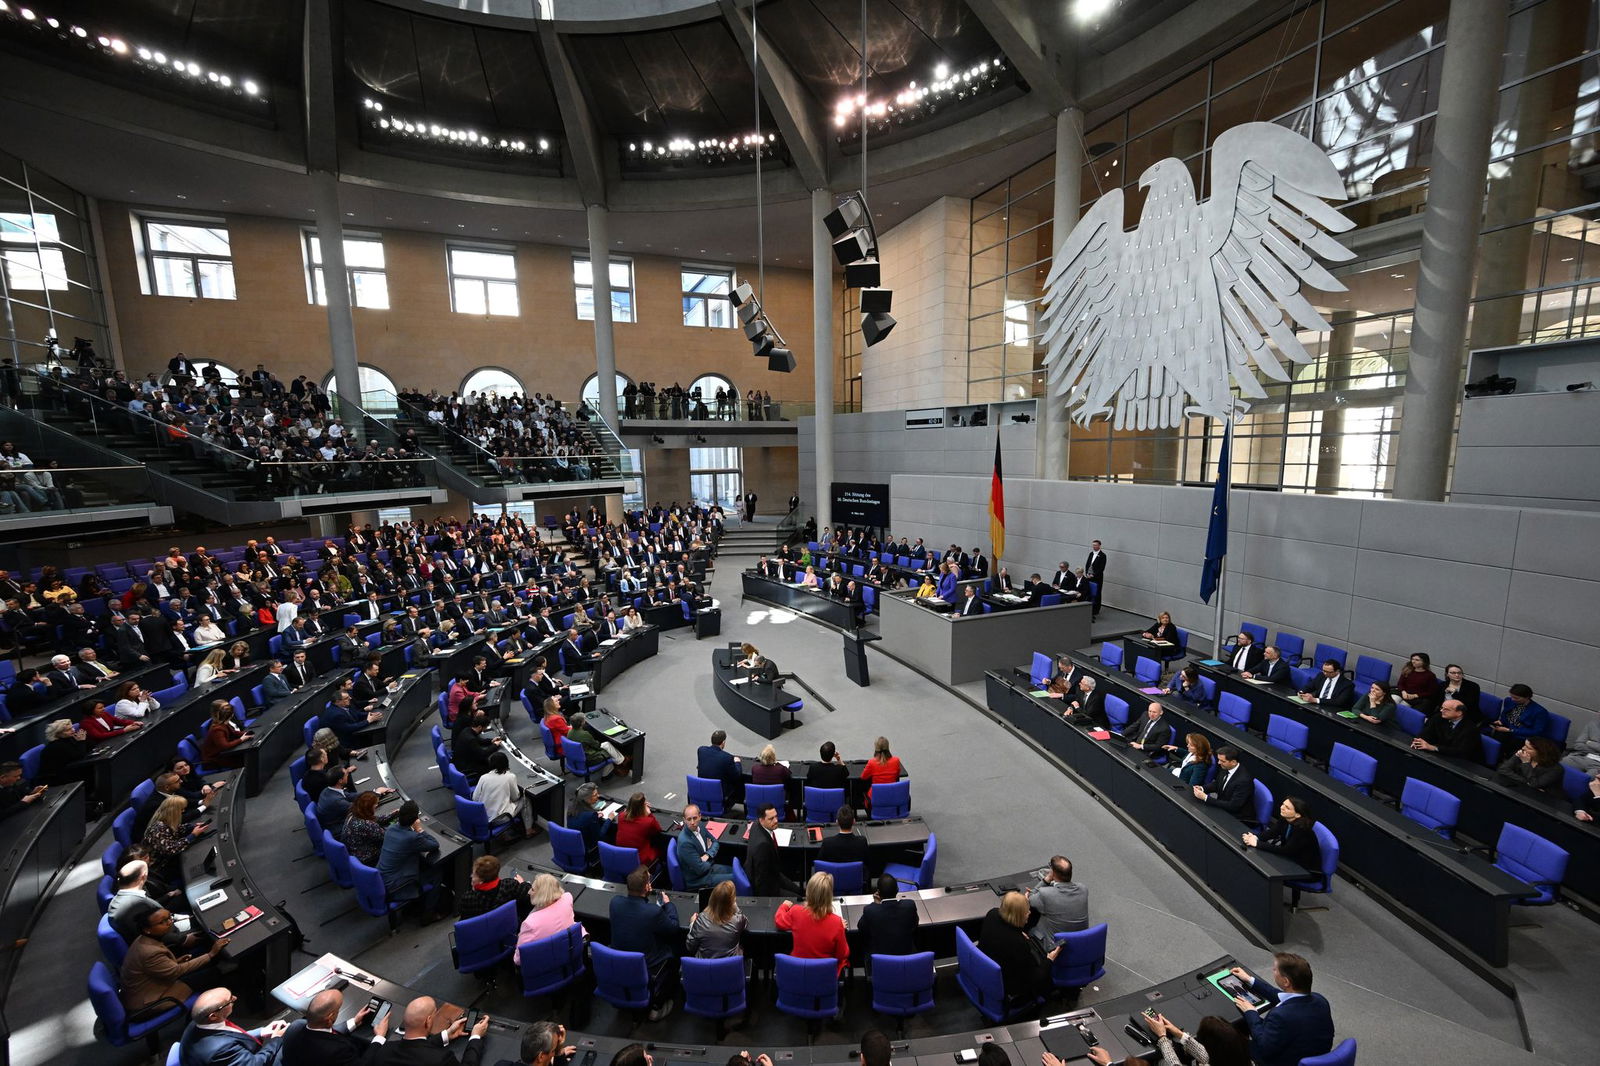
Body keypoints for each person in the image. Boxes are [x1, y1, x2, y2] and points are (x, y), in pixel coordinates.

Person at [1226, 955, 1334, 1066]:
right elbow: (1281, 996)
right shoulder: (1320, 1000)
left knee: (1227, 1037)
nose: (1273, 970)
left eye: (1275, 969)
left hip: (1282, 1061)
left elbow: (1263, 1046)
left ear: (1286, 981)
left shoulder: (1281, 1016)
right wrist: (1250, 980)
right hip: (1308, 1052)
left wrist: (1251, 1012)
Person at [119, 907, 229, 1014]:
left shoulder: (144, 939)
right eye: (162, 922)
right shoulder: (149, 952)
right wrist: (211, 954)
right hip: (150, 1001)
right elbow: (176, 971)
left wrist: (176, 961)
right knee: (209, 973)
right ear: (147, 929)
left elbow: (155, 967)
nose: (169, 922)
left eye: (169, 917)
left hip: (153, 983)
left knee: (199, 958)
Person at [609, 866, 680, 1021]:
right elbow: (673, 928)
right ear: (647, 887)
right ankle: (658, 1004)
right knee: (675, 948)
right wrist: (669, 904)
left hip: (619, 961)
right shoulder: (653, 912)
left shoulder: (615, 902)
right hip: (647, 965)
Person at [977, 891, 1059, 1005]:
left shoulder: (992, 914)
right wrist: (1050, 959)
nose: (1029, 912)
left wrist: (1018, 932)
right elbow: (1035, 977)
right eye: (1026, 911)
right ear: (1019, 916)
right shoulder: (1018, 943)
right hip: (1009, 987)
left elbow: (1003, 929)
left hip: (986, 970)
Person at [177, 987, 291, 1066]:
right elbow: (255, 1063)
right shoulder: (221, 1049)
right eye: (229, 1001)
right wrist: (276, 1039)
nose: (235, 998)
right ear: (213, 1016)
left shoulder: (198, 1023)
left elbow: (231, 1036)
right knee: (295, 1039)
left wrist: (262, 1031)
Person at [280, 986, 388, 1066]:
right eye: (338, 1009)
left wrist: (354, 1021)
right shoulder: (338, 1050)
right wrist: (379, 1037)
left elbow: (323, 1032)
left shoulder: (295, 1026)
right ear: (330, 1017)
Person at [378, 800, 446, 922]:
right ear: (415, 819)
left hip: (383, 879)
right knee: (436, 873)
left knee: (422, 864)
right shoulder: (412, 837)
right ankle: (428, 913)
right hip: (396, 885)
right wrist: (419, 829)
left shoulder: (391, 829)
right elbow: (434, 845)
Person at [367, 997, 488, 1066]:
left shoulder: (384, 1050)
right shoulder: (441, 1059)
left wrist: (446, 1034)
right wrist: (475, 1037)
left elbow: (415, 1047)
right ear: (428, 1021)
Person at [775, 871, 849, 975]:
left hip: (799, 973)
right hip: (824, 976)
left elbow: (779, 921)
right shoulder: (837, 922)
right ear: (829, 896)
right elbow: (843, 954)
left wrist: (784, 906)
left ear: (809, 891)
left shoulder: (796, 911)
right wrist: (839, 928)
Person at [1242, 797, 1322, 884]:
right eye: (1283, 804)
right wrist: (1255, 837)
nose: (1282, 807)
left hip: (1304, 870)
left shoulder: (1302, 830)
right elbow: (1271, 833)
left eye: (1287, 808)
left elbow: (1286, 850)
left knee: (1263, 868)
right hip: (1290, 859)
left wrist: (1257, 844)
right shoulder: (1285, 819)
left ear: (1297, 815)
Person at [1134, 1013, 1252, 1066]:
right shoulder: (1238, 1055)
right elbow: (1206, 1056)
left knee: (1161, 1062)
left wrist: (1162, 1037)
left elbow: (1175, 1064)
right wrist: (1179, 1034)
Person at [514, 873, 582, 966]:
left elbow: (518, 960)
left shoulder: (530, 923)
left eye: (532, 889)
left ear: (541, 896)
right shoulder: (567, 898)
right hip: (567, 956)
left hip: (542, 967)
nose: (529, 892)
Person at [142, 795, 206, 887]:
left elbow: (177, 829)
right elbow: (172, 849)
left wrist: (193, 826)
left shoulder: (165, 821)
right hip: (160, 867)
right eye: (181, 809)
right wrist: (192, 835)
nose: (183, 811)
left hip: (168, 860)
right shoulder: (158, 829)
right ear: (174, 811)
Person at [1026, 855, 1089, 943]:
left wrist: (1046, 879)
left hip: (1056, 946)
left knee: (1030, 923)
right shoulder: (1083, 889)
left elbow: (1030, 897)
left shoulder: (1046, 894)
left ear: (1053, 872)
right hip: (1081, 941)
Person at [857, 873, 919, 958]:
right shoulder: (909, 905)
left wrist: (876, 904)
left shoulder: (870, 910)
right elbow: (914, 924)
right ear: (897, 890)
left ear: (878, 892)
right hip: (908, 959)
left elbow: (861, 928)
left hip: (880, 962)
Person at [473, 750, 534, 837]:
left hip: (484, 818)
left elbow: (475, 798)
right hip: (501, 818)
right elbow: (515, 798)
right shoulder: (510, 777)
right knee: (525, 800)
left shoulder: (483, 777)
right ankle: (529, 830)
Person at [746, 803, 801, 897]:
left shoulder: (755, 825)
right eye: (771, 819)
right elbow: (762, 882)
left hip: (774, 873)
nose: (776, 821)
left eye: (776, 816)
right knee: (798, 898)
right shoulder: (763, 846)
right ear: (761, 820)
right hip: (768, 886)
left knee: (799, 891)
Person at [676, 803, 732, 890]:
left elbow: (715, 842)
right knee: (735, 879)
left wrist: (707, 855)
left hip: (708, 867)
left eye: (695, 818)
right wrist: (710, 858)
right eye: (689, 819)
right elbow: (700, 869)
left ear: (700, 816)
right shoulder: (685, 842)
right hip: (698, 879)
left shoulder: (700, 825)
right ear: (684, 820)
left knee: (736, 871)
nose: (692, 822)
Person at [685, 879, 746, 958]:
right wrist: (735, 906)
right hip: (730, 965)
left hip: (705, 965)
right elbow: (744, 922)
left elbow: (690, 947)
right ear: (731, 902)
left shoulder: (701, 919)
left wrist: (692, 924)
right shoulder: (738, 920)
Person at [457, 854, 529, 920]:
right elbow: (528, 894)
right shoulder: (510, 885)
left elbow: (464, 917)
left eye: (474, 874)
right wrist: (522, 883)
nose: (471, 876)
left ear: (481, 881)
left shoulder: (469, 898)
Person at [1192, 745, 1254, 818]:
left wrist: (1206, 798)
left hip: (1235, 816)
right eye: (1219, 760)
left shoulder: (1244, 781)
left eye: (1222, 761)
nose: (1218, 763)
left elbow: (1233, 806)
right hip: (1222, 806)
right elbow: (1217, 783)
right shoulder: (1225, 767)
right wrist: (1202, 788)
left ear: (1233, 762)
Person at [1412, 699, 1483, 761]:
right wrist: (1418, 742)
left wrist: (1433, 748)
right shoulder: (1438, 717)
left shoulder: (1471, 729)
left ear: (1459, 713)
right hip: (1441, 755)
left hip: (1462, 762)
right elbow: (1426, 732)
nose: (1441, 711)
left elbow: (1461, 751)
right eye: (1442, 708)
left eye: (1446, 709)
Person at [1496, 737, 1564, 795]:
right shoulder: (1522, 754)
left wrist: (1526, 763)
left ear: (1540, 752)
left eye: (1528, 748)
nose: (1523, 748)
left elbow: (1534, 784)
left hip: (1545, 798)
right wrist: (1526, 782)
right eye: (1524, 745)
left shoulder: (1556, 769)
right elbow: (1503, 769)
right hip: (1521, 790)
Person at [613, 791, 664, 867]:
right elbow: (658, 829)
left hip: (621, 856)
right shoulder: (648, 821)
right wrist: (649, 814)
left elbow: (628, 813)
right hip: (640, 861)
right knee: (661, 848)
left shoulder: (621, 816)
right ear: (642, 807)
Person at [342, 790, 391, 866]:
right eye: (375, 804)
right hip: (367, 859)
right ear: (368, 807)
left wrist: (393, 814)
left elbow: (375, 819)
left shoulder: (353, 814)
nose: (377, 805)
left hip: (353, 853)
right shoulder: (366, 824)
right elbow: (387, 837)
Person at [200, 700, 253, 769]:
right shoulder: (217, 729)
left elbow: (233, 732)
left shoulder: (222, 722)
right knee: (246, 758)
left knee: (247, 755)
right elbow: (225, 746)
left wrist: (245, 734)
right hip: (213, 760)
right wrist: (241, 739)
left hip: (222, 753)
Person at [697, 729, 743, 807]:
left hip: (703, 789)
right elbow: (736, 775)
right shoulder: (727, 758)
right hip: (720, 793)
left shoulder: (701, 750)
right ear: (723, 742)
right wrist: (737, 762)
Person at [567, 782, 615, 852]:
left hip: (575, 842)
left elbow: (582, 819)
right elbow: (599, 836)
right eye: (595, 795)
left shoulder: (571, 806)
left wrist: (595, 816)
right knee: (613, 833)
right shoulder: (590, 815)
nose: (598, 796)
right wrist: (609, 819)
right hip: (588, 848)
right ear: (587, 798)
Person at [861, 735, 902, 814]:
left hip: (875, 799)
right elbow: (897, 775)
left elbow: (863, 777)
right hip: (892, 797)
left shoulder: (871, 763)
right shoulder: (896, 761)